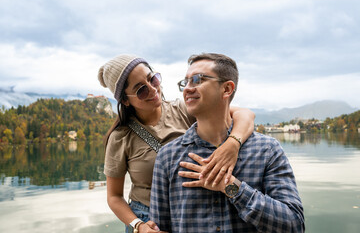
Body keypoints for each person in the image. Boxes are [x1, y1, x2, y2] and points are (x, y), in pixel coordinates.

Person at [97, 54, 255, 232]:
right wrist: (139, 226)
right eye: (141, 89)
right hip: (148, 219)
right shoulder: (120, 137)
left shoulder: (183, 110)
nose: (153, 89)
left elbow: (245, 114)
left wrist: (232, 144)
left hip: (188, 213)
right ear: (126, 100)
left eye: (153, 79)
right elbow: (114, 197)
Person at [150, 53, 305, 232]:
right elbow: (159, 228)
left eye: (197, 80)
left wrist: (231, 187)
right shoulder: (168, 157)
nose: (187, 89)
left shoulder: (267, 150)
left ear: (227, 89)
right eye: (186, 82)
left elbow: (294, 225)